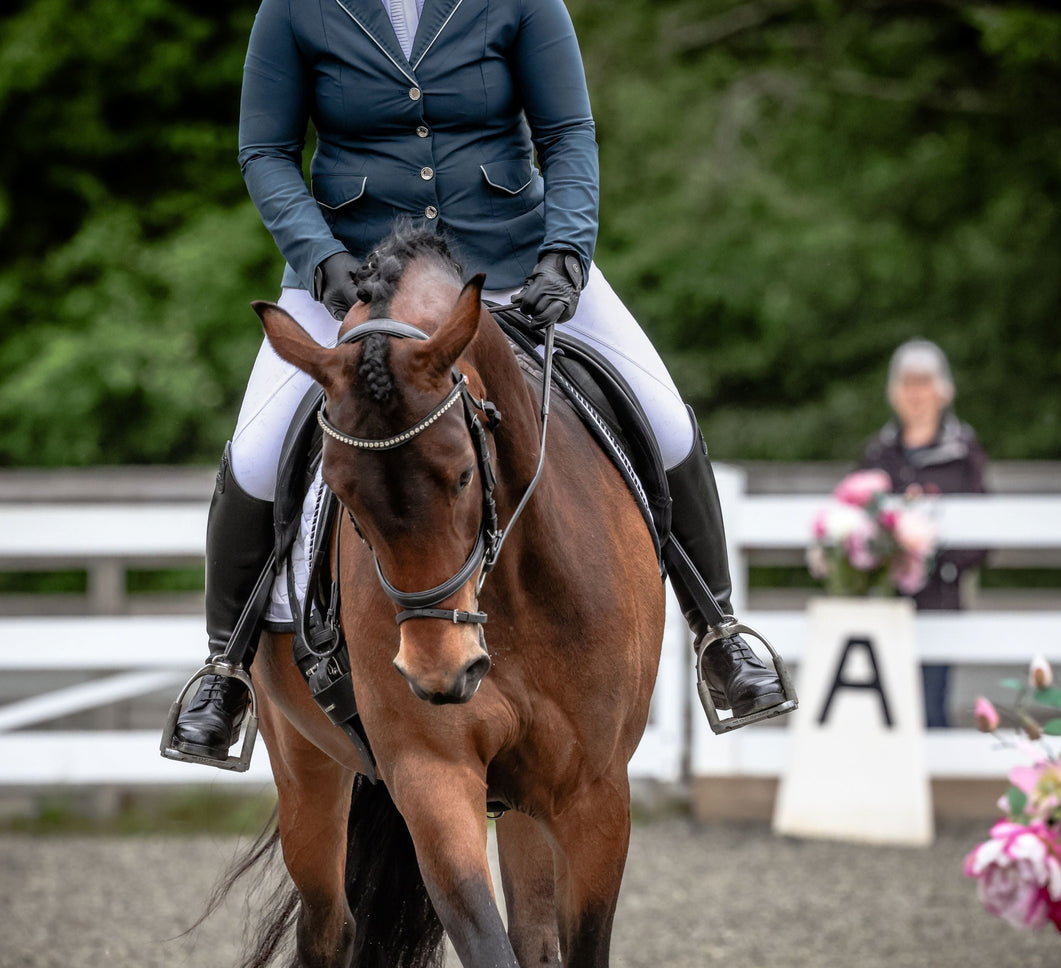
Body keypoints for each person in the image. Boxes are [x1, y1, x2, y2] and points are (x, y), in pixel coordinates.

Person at [166, 0, 797, 767]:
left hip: (508, 264)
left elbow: (568, 134)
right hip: (355, 277)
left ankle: (721, 634)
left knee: (662, 418)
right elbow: (264, 151)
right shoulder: (293, 8)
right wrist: (320, 257)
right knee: (261, 452)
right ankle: (225, 668)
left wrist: (566, 252)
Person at [859, 338, 988, 727]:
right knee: (884, 707)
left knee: (931, 703)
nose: (916, 394)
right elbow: (856, 519)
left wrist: (933, 551)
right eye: (908, 384)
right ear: (894, 392)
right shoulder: (879, 452)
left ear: (942, 390)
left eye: (924, 383)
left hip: (940, 596)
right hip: (885, 596)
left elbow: (984, 531)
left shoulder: (963, 453)